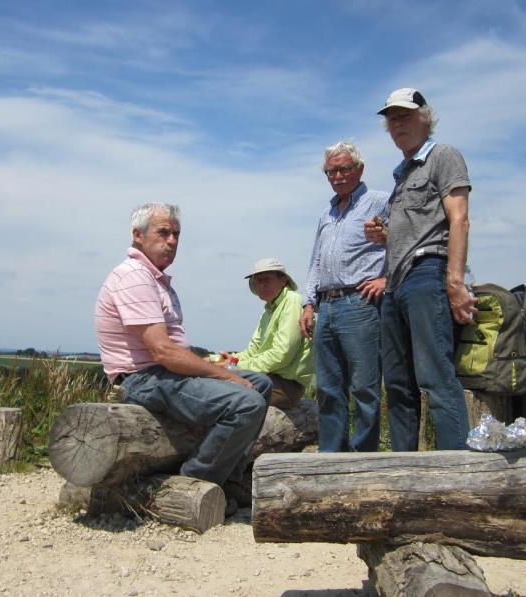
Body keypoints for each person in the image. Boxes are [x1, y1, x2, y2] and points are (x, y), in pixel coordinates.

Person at [95, 202, 272, 509]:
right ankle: (193, 481)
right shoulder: (134, 277)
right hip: (143, 378)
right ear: (138, 235)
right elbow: (163, 351)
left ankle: (228, 475)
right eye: (164, 233)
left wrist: (216, 372)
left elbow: (172, 351)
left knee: (261, 383)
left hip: (163, 372)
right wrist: (224, 375)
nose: (173, 241)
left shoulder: (154, 278)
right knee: (247, 402)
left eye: (176, 234)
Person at [364, 87, 476, 451]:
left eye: (405, 116)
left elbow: (459, 219)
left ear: (425, 118)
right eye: (392, 119)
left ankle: (458, 471)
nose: (398, 124)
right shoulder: (401, 174)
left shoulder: (443, 156)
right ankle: (404, 468)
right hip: (396, 284)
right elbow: (413, 228)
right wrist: (384, 235)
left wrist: (455, 283)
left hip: (427, 272)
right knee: (396, 383)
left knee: (434, 376)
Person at [299, 141, 389, 452]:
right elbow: (316, 261)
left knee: (364, 387)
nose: (337, 176)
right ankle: (331, 457)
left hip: (360, 304)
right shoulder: (326, 212)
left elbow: (405, 240)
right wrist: (308, 303)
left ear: (359, 169)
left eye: (343, 169)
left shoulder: (380, 201)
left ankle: (362, 458)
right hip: (328, 305)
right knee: (327, 388)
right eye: (331, 171)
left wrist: (387, 279)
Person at [217, 258, 313, 410]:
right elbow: (253, 350)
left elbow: (281, 354)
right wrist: (230, 360)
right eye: (258, 282)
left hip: (286, 387)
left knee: (220, 387)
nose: (262, 285)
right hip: (271, 379)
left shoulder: (293, 302)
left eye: (267, 280)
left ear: (283, 280)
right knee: (214, 377)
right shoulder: (269, 310)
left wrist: (236, 367)